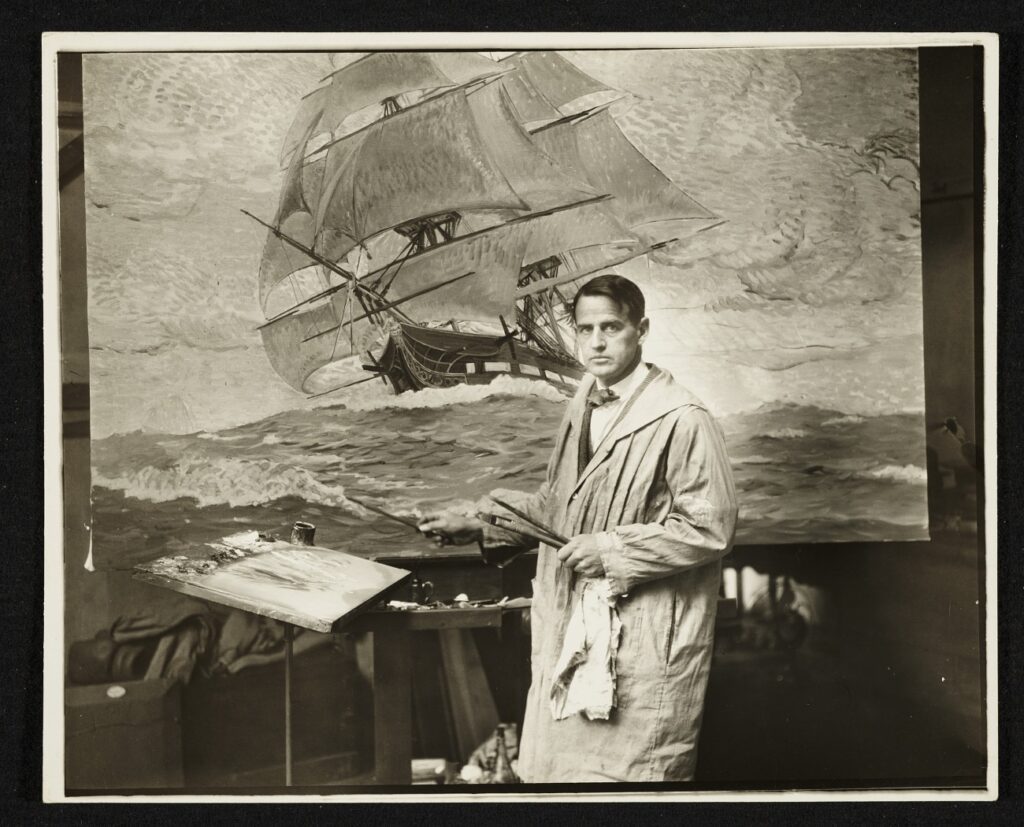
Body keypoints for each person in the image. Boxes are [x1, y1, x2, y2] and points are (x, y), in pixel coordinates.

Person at [418, 273, 738, 783]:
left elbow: (708, 529)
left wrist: (610, 552)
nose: (596, 341)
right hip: (570, 633)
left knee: (625, 789)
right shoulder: (584, 402)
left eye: (611, 327)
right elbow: (560, 504)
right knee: (557, 789)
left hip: (640, 648)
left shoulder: (683, 417)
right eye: (585, 328)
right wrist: (480, 524)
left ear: (642, 329)